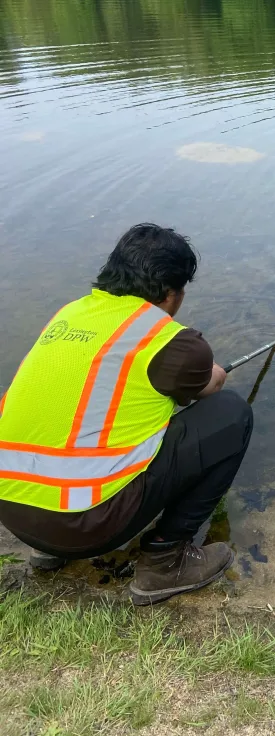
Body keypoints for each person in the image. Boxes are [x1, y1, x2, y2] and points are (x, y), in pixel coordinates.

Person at [0, 223, 253, 605]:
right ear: (170, 293)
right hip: (85, 527)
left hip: (13, 513)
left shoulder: (68, 315)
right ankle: (165, 560)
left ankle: (48, 550)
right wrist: (211, 372)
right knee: (231, 414)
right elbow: (210, 388)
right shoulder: (175, 342)